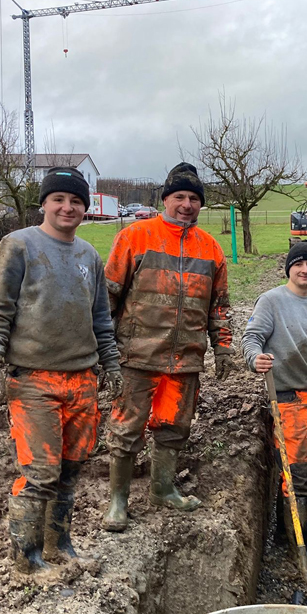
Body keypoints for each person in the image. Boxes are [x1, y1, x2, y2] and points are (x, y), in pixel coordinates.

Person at [0, 166, 123, 574]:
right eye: (59, 199)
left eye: (76, 201)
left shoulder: (89, 256)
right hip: (34, 380)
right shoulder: (18, 246)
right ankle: (28, 560)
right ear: (44, 203)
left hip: (82, 379)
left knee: (71, 470)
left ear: (86, 207)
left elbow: (101, 319)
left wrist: (111, 363)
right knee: (40, 472)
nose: (68, 207)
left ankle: (61, 547)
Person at [101, 162, 233, 532]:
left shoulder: (211, 249)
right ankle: (117, 501)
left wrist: (222, 347)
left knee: (174, 426)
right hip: (137, 356)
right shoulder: (135, 237)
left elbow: (219, 305)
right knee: (127, 430)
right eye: (180, 197)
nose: (187, 204)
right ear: (165, 199)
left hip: (186, 359)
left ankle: (162, 489)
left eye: (194, 198)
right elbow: (108, 296)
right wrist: (103, 349)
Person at [242, 242, 307, 578]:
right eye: (298, 264)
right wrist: (256, 358)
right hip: (285, 396)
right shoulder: (271, 301)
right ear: (289, 269)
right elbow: (251, 338)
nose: (305, 271)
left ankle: (288, 533)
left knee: (306, 465)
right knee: (299, 473)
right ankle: (300, 550)